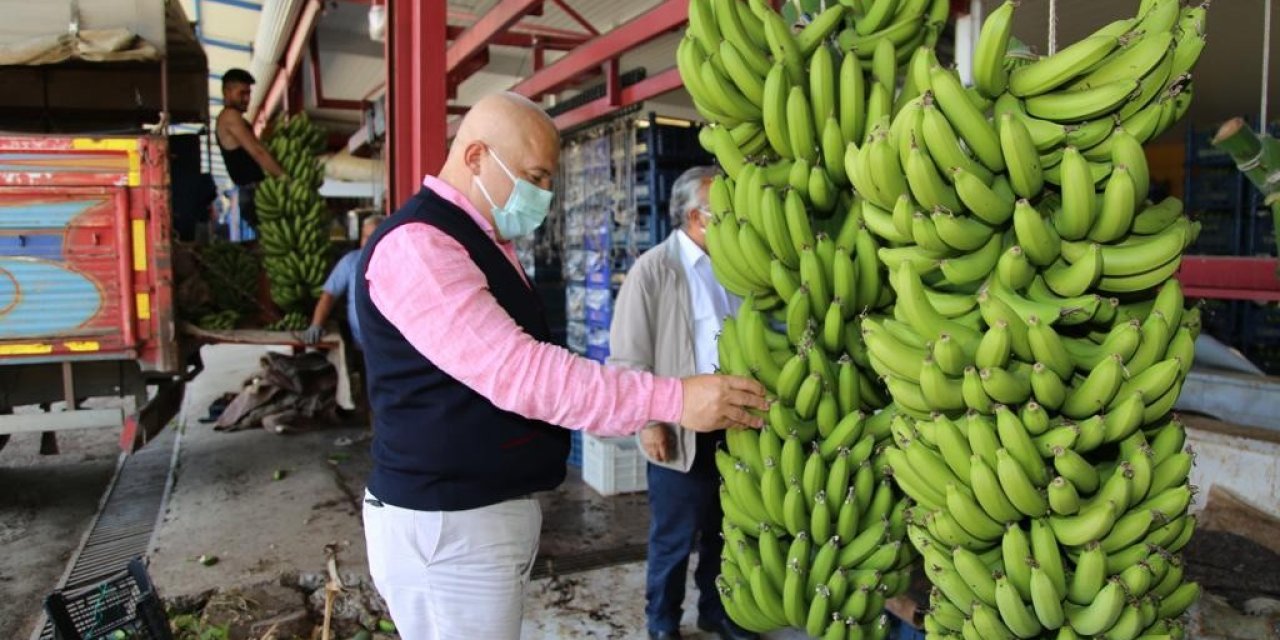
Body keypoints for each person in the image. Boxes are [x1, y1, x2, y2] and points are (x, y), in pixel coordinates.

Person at [353, 92, 768, 640]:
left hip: (477, 518)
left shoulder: (480, 240)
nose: (543, 195)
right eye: (534, 176)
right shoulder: (419, 247)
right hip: (447, 530)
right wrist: (673, 399)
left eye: (550, 181)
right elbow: (521, 373)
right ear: (476, 156)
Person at [609, 167, 754, 640]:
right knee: (674, 537)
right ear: (697, 216)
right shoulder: (653, 270)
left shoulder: (734, 267)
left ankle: (716, 611)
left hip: (732, 423)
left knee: (723, 530)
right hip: (680, 426)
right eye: (724, 210)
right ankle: (663, 622)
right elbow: (628, 357)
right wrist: (651, 422)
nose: (734, 219)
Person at [215, 68, 286, 234]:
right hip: (253, 194)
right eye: (242, 93)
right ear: (227, 91)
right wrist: (284, 178)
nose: (247, 99)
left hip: (252, 192)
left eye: (249, 93)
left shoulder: (233, 118)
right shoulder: (229, 116)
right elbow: (257, 151)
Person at [303, 215, 385, 348]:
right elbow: (328, 296)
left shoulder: (396, 262)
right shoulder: (351, 261)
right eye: (365, 237)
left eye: (374, 237)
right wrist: (316, 325)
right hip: (362, 345)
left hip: (391, 343)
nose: (368, 242)